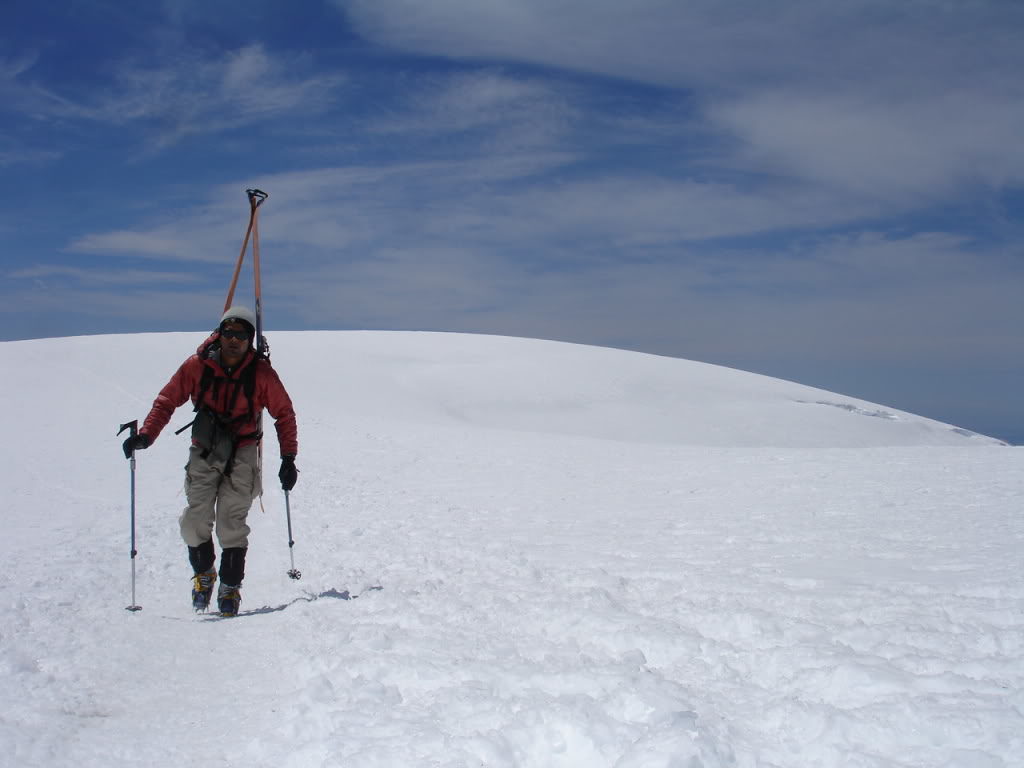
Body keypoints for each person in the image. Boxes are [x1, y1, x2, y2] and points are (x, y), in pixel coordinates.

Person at [122, 306, 299, 616]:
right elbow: (167, 400)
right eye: (228, 332)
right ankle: (204, 574)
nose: (233, 339)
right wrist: (146, 435)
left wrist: (288, 458)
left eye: (241, 334)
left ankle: (230, 588)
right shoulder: (197, 366)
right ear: (219, 334)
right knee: (194, 520)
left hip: (243, 450)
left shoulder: (261, 374)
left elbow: (283, 413)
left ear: (249, 338)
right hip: (205, 448)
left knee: (232, 522)